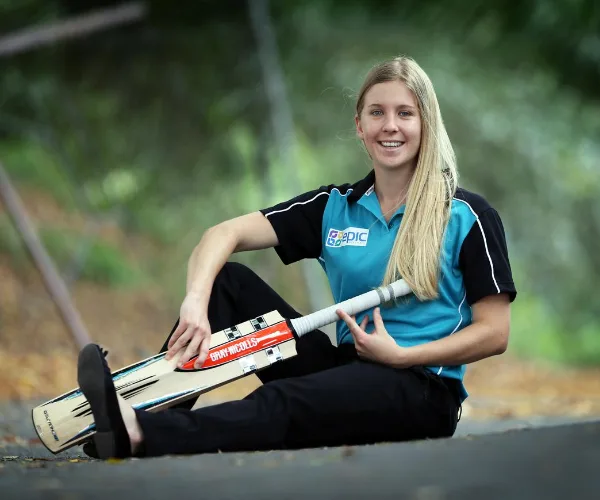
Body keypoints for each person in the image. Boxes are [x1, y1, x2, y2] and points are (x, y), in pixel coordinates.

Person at [78, 56, 516, 459]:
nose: (390, 126)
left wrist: (401, 356)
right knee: (227, 281)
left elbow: (495, 333)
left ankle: (141, 433)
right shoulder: (335, 206)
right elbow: (223, 234)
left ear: (426, 123)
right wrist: (194, 301)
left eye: (405, 113)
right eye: (377, 112)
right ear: (359, 125)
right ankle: (127, 411)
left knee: (281, 402)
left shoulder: (466, 215)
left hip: (419, 389)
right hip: (349, 367)